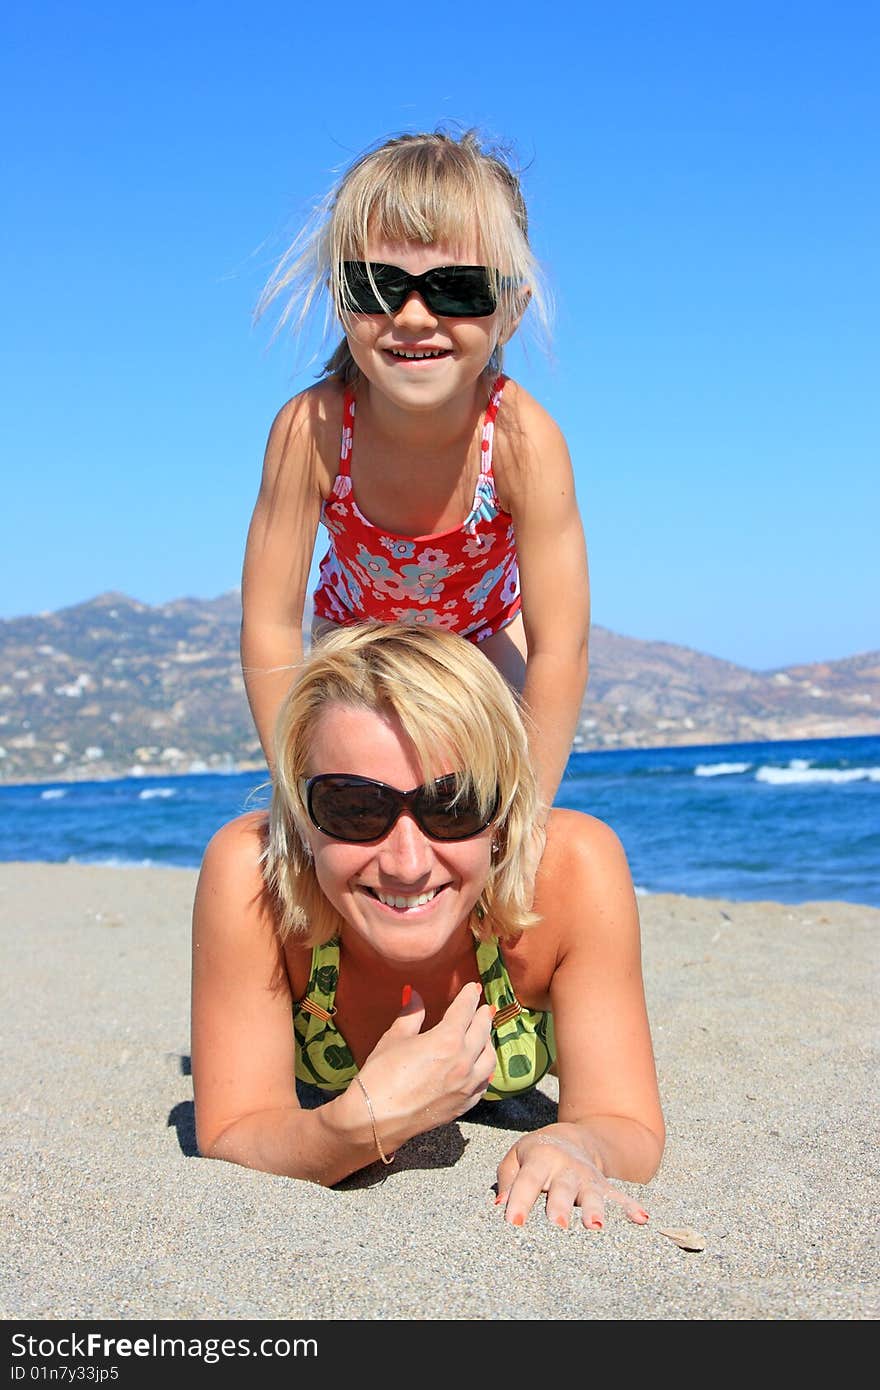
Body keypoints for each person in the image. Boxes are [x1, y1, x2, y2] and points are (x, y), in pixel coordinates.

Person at [191, 623, 664, 1230]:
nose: (407, 864)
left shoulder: (573, 870)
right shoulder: (254, 877)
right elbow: (234, 1128)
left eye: (455, 805)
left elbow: (624, 1121)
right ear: (302, 818)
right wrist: (356, 1126)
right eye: (355, 809)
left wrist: (576, 1145)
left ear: (506, 810)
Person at [240, 127, 590, 821]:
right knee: (354, 814)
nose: (413, 317)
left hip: (483, 642)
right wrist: (296, 794)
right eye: (378, 287)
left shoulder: (523, 442)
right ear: (341, 301)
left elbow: (561, 645)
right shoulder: (311, 433)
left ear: (511, 313)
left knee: (492, 806)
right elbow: (270, 626)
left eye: (458, 289)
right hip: (352, 645)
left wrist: (532, 819)